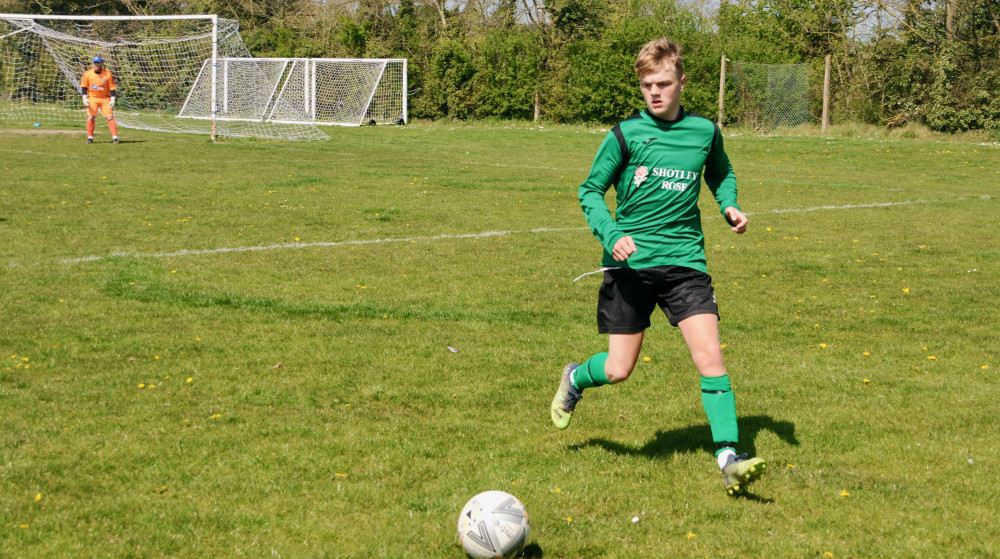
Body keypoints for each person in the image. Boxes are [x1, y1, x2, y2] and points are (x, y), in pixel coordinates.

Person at [550, 37, 766, 495]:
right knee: (617, 369)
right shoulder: (624, 135)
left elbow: (720, 171)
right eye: (647, 84)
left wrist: (729, 205)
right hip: (630, 267)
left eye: (663, 83)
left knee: (710, 355)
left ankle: (728, 456)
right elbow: (590, 191)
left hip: (686, 262)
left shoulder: (705, 132)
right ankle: (575, 377)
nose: (654, 92)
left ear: (681, 82)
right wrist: (612, 235)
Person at [80, 56, 118, 144]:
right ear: (93, 64)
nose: (96, 64)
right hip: (93, 98)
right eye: (95, 63)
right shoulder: (88, 73)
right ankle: (90, 138)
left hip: (105, 98)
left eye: (98, 63)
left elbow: (112, 87)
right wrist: (84, 98)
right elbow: (84, 87)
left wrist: (112, 99)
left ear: (101, 64)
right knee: (91, 117)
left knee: (110, 117)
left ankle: (115, 138)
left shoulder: (108, 74)